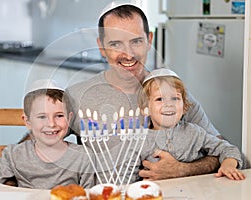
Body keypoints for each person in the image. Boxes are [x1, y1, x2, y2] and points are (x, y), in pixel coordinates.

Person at [66, 1, 223, 181]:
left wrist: (183, 169)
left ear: (149, 40)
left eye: (136, 41)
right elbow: (35, 146)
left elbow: (223, 153)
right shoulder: (77, 96)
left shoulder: (171, 95)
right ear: (101, 47)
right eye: (116, 44)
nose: (128, 54)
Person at [137, 68, 245, 181]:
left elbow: (227, 148)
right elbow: (128, 173)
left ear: (184, 107)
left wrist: (228, 165)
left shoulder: (194, 132)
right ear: (145, 108)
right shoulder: (140, 139)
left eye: (175, 98)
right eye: (160, 99)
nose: (169, 104)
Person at [0, 79, 95, 189]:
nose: (51, 124)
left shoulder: (83, 156)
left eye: (59, 116)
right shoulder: (13, 155)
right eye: (42, 117)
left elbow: (89, 194)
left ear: (70, 118)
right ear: (28, 122)